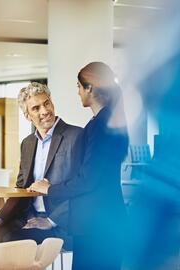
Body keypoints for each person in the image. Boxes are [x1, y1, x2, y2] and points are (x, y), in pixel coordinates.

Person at [29, 62, 129, 270]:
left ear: (89, 88)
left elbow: (88, 180)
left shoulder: (100, 126)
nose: (77, 92)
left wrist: (49, 189)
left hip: (97, 226)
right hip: (103, 221)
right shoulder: (109, 121)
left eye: (78, 86)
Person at [0, 82, 83, 251]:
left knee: (12, 241)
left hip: (61, 223)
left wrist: (50, 221)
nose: (44, 111)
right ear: (27, 116)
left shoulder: (76, 136)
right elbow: (20, 189)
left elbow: (81, 186)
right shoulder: (27, 144)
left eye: (46, 103)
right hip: (28, 218)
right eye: (36, 108)